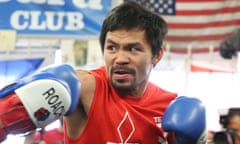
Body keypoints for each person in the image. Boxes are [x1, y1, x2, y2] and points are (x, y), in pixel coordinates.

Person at [0, 1, 206, 144]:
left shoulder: (170, 108)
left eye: (133, 49)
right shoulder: (85, 87)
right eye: (112, 47)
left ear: (157, 55)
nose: (120, 58)